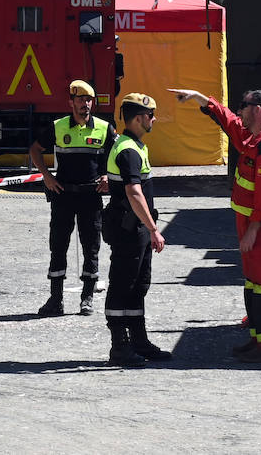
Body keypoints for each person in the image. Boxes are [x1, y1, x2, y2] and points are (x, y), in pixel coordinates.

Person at [170, 86, 261, 364]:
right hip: (247, 224)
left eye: (243, 106)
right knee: (253, 282)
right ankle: (258, 338)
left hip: (258, 228)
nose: (239, 111)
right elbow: (229, 121)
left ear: (257, 110)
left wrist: (254, 230)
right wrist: (199, 97)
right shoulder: (251, 138)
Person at [28, 79, 115, 317]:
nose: (85, 104)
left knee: (91, 248)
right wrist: (46, 176)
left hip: (90, 197)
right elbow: (35, 149)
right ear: (71, 103)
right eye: (80, 100)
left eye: (88, 100)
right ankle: (55, 300)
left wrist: (108, 176)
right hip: (63, 195)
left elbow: (118, 154)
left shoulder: (104, 128)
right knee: (58, 247)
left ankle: (87, 298)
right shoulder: (58, 127)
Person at [102, 92, 170, 366]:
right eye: (151, 115)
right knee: (122, 285)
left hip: (137, 229)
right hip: (129, 228)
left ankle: (138, 340)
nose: (153, 119)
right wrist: (154, 229)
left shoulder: (135, 145)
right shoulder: (128, 149)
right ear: (140, 118)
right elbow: (134, 192)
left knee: (138, 285)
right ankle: (119, 346)